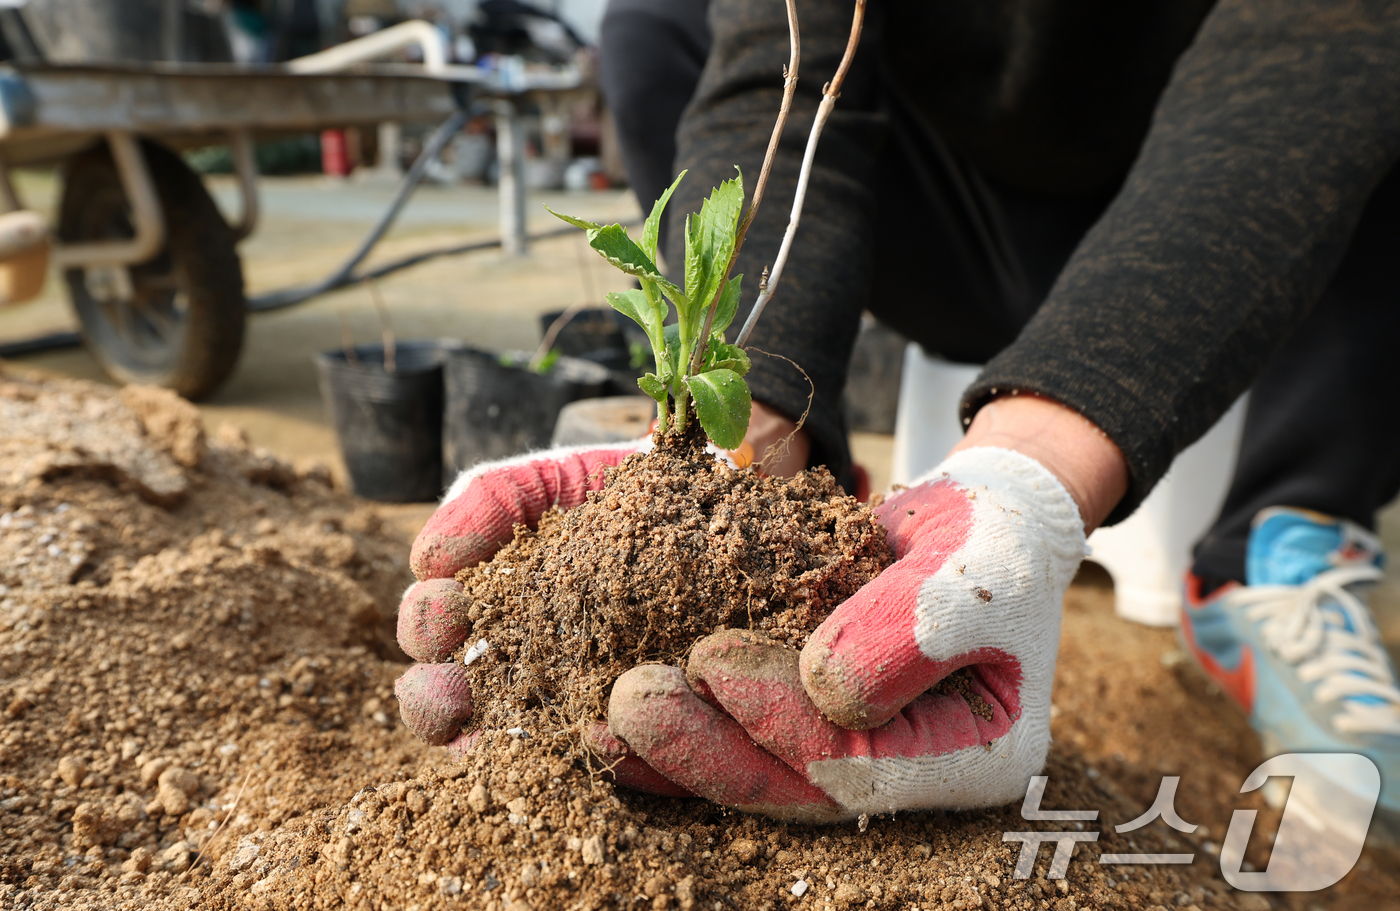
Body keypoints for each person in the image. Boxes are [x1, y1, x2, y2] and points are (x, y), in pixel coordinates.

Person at [396, 0, 1400, 840]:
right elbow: (781, 70)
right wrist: (741, 429)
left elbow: (1322, 36)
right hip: (956, 217)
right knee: (659, 23)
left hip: (1265, 207)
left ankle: (1282, 538)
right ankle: (792, 484)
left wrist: (1030, 472)